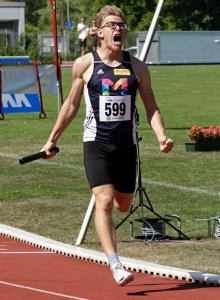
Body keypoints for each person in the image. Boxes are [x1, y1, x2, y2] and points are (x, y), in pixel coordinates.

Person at [41, 5, 174, 286]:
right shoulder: (85, 65)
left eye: (122, 25)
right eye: (112, 25)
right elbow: (71, 105)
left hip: (127, 145)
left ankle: (113, 209)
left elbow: (151, 107)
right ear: (99, 31)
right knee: (103, 200)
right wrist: (52, 139)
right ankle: (115, 264)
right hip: (96, 143)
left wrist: (161, 136)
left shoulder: (136, 67)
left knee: (123, 205)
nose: (118, 29)